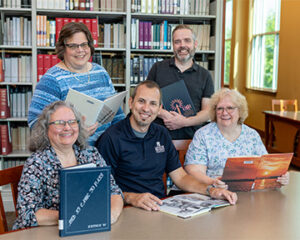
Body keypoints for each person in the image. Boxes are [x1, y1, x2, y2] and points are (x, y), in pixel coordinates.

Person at [96, 81, 237, 212]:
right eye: (141, 101)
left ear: (159, 109)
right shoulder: (111, 138)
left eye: (153, 104)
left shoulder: (161, 134)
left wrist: (210, 191)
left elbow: (180, 178)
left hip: (160, 207)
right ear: (131, 103)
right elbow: (101, 187)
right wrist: (132, 198)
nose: (146, 108)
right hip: (127, 209)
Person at [13, 101, 123, 230]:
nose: (67, 128)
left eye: (72, 122)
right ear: (46, 128)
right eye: (59, 123)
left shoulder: (91, 154)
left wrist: (111, 216)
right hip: (44, 232)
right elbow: (26, 214)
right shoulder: (36, 163)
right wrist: (73, 217)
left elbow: (114, 191)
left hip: (85, 229)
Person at [28, 22, 124, 146]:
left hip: (107, 149)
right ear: (63, 48)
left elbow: (117, 115)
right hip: (72, 154)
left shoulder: (100, 72)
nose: (80, 50)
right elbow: (35, 125)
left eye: (84, 44)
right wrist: (75, 132)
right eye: (73, 46)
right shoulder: (52, 79)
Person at [184, 88, 289, 187]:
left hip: (246, 192)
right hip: (212, 191)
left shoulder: (251, 135)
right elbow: (194, 170)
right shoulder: (203, 135)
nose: (224, 113)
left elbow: (267, 166)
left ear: (240, 111)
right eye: (220, 108)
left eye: (230, 108)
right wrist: (212, 182)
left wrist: (280, 176)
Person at [147, 24, 214, 139]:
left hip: (192, 140)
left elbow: (207, 111)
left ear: (195, 44)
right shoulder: (157, 68)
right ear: (173, 45)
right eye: (177, 42)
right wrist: (164, 114)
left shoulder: (205, 75)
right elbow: (146, 101)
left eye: (187, 41)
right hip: (158, 136)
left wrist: (184, 122)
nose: (182, 45)